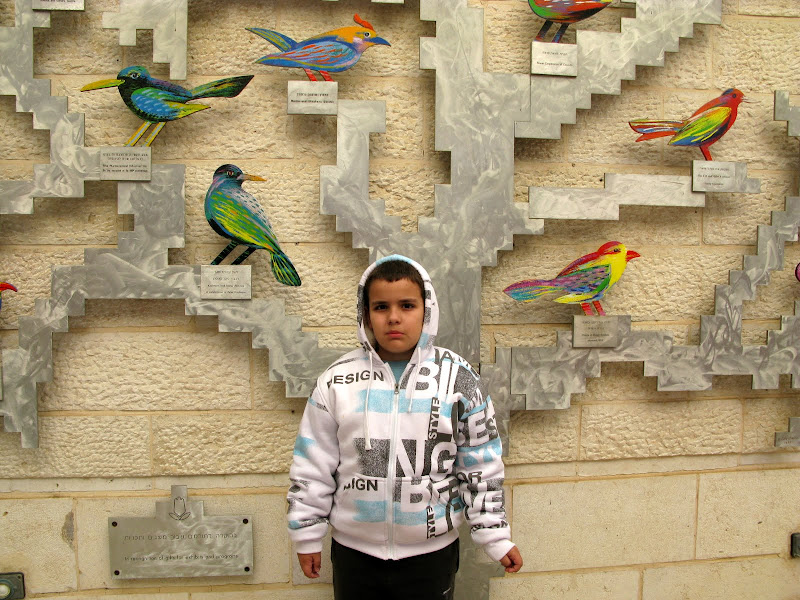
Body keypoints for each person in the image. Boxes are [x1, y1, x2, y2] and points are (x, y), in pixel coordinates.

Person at [287, 254, 523, 599]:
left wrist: (495, 535)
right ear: (366, 313)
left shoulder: (458, 378)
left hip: (433, 555)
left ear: (427, 311)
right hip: (354, 553)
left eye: (407, 305)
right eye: (381, 306)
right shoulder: (337, 380)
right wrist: (307, 533)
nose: (394, 317)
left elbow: (481, 463)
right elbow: (313, 463)